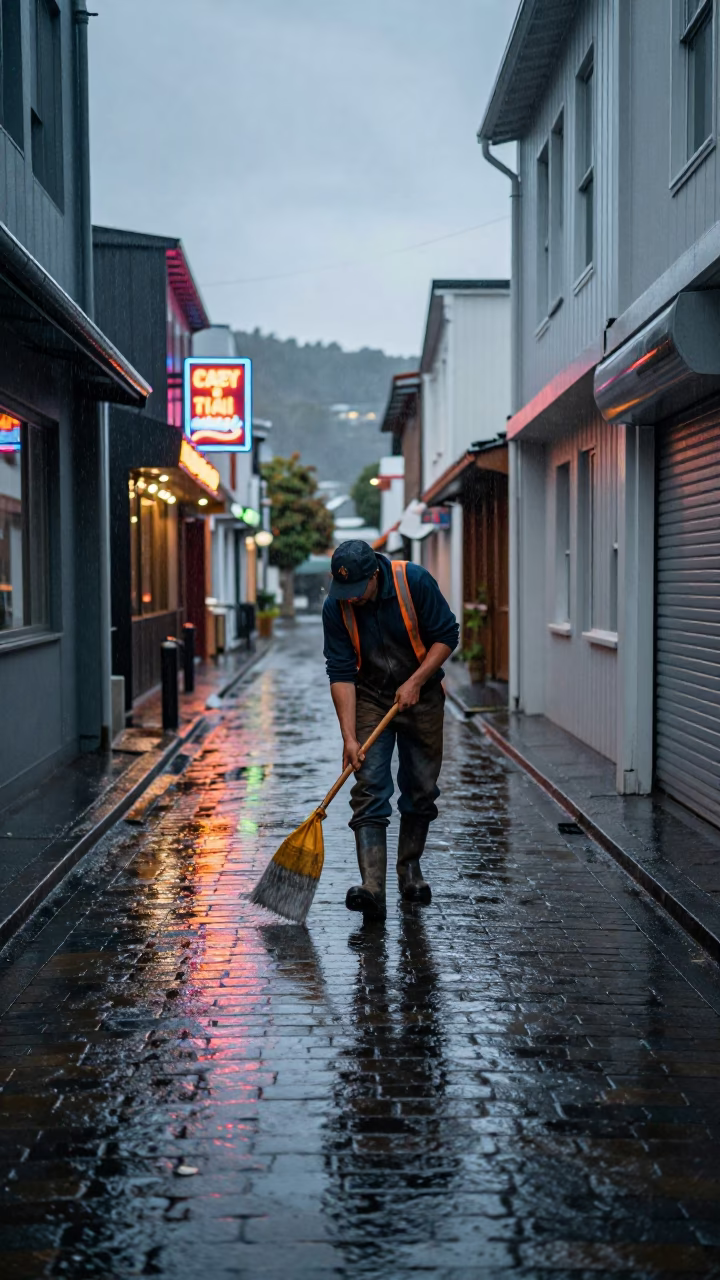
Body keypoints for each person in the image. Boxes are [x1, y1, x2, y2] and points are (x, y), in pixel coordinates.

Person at [322, 539, 459, 921]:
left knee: (421, 786)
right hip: (369, 696)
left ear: (375, 575)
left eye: (356, 591)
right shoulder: (336, 605)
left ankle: (410, 869)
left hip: (423, 694)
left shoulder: (413, 580)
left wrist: (416, 681)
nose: (349, 600)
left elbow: (447, 635)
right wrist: (349, 737)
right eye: (343, 592)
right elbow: (340, 671)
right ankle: (373, 887)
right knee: (369, 785)